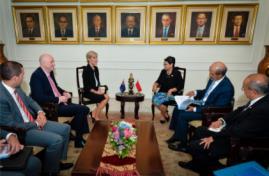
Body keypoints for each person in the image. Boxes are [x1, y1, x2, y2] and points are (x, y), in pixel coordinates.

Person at [178, 73, 269, 175]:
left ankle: (208, 169)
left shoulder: (263, 109)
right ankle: (196, 163)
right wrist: (221, 121)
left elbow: (239, 130)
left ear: (254, 91)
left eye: (244, 88)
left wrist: (214, 137)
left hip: (240, 142)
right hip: (233, 132)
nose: (242, 89)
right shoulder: (259, 99)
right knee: (200, 130)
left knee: (194, 146)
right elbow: (239, 111)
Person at [0, 61, 73, 176]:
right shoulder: (1, 97)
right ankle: (51, 172)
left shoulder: (16, 86)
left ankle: (56, 162)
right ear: (14, 78)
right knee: (56, 140)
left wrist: (40, 112)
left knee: (65, 128)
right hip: (22, 131)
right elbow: (11, 125)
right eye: (22, 74)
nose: (23, 76)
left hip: (32, 121)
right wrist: (36, 124)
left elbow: (30, 100)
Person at [167, 62, 234, 150]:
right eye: (210, 72)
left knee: (183, 115)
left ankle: (183, 145)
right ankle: (177, 135)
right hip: (202, 103)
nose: (210, 75)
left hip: (209, 112)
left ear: (220, 74)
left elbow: (216, 108)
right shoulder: (213, 78)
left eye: (212, 74)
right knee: (178, 107)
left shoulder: (227, 88)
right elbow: (207, 92)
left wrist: (195, 109)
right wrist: (195, 92)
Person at [30, 54, 90, 148]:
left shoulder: (49, 72)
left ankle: (72, 129)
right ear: (44, 63)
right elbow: (38, 97)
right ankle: (78, 139)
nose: (54, 64)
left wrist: (64, 92)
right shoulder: (36, 76)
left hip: (59, 102)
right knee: (83, 109)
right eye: (52, 62)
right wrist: (58, 99)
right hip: (51, 106)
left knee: (84, 109)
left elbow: (55, 87)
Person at [152, 56, 184, 124]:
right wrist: (155, 85)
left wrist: (172, 90)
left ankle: (163, 114)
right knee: (154, 100)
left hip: (172, 94)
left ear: (171, 64)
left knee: (162, 103)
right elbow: (159, 81)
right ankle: (165, 114)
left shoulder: (177, 73)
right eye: (164, 64)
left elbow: (180, 86)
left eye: (165, 64)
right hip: (162, 92)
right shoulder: (163, 71)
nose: (164, 66)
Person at [82, 51, 109, 121]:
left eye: (96, 57)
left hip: (95, 91)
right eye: (94, 58)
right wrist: (97, 92)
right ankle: (95, 116)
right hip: (88, 92)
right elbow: (87, 87)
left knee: (106, 96)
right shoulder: (86, 70)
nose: (96, 59)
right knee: (106, 97)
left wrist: (99, 89)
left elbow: (97, 82)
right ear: (88, 59)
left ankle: (93, 113)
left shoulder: (96, 68)